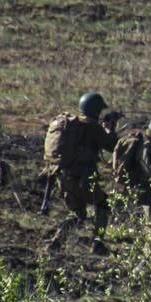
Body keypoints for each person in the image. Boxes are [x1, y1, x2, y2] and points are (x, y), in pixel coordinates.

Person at [41, 91, 120, 253]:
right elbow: (112, 146)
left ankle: (56, 243)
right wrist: (110, 128)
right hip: (81, 178)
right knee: (103, 204)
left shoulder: (72, 126)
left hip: (62, 177)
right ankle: (97, 244)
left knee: (78, 214)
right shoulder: (93, 128)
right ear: (97, 111)